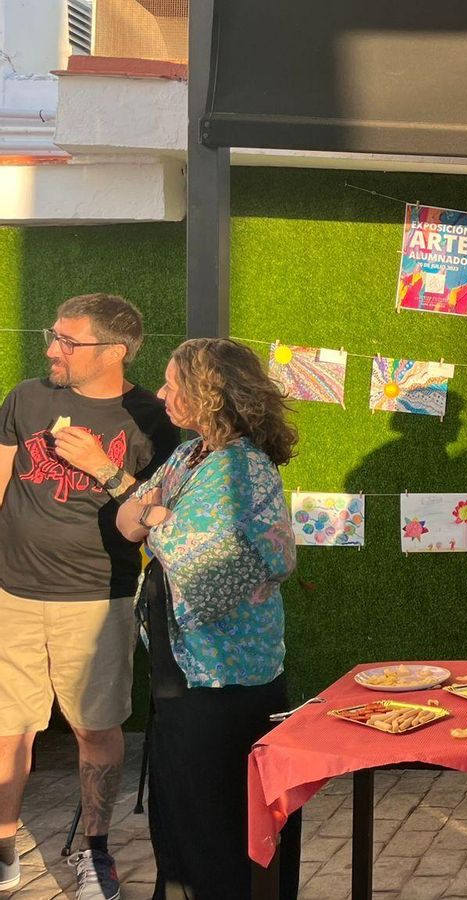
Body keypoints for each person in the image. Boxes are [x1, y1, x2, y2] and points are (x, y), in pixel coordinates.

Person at [0, 294, 178, 899]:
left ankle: (94, 848)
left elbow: (160, 513)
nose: (52, 349)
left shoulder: (154, 418)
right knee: (7, 727)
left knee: (95, 728)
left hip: (97, 601)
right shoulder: (27, 398)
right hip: (12, 594)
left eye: (67, 342)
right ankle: (3, 843)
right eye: (54, 336)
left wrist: (104, 466)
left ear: (115, 351)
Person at [115, 338, 300, 899]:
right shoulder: (188, 455)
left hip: (225, 680)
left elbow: (213, 573)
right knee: (184, 821)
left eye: (173, 383)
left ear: (209, 394)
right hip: (185, 676)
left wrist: (159, 521)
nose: (162, 393)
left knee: (221, 824)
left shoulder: (237, 468)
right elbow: (129, 523)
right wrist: (157, 513)